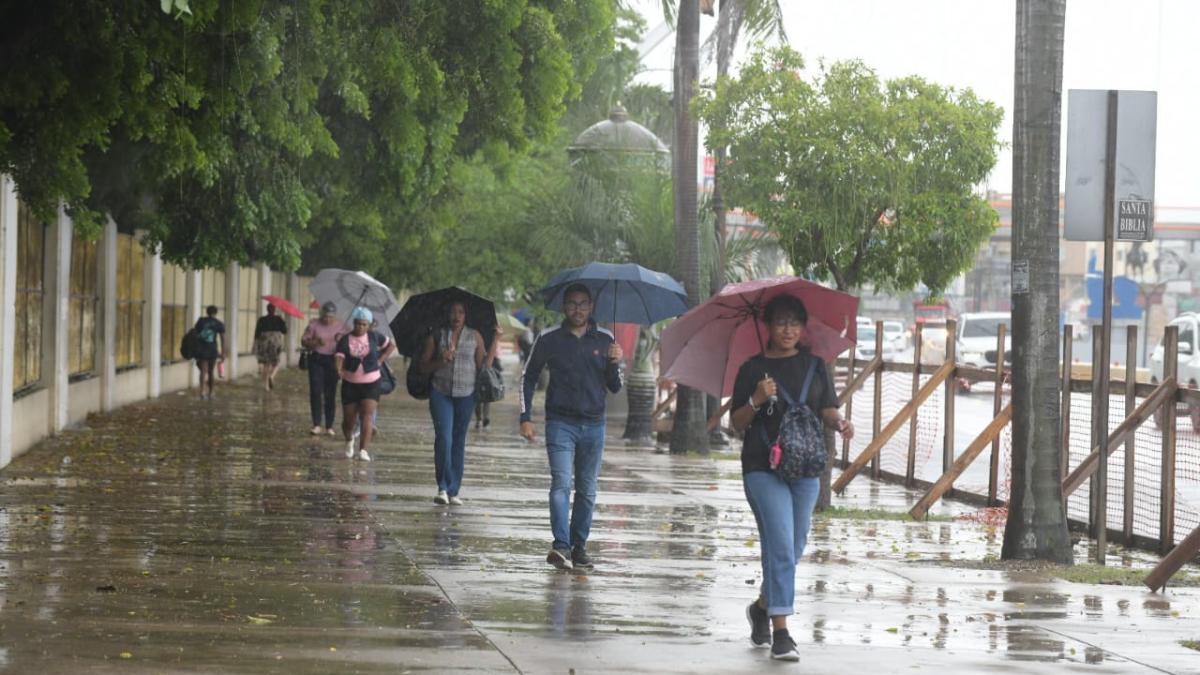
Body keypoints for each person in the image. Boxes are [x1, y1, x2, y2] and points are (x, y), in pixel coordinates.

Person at [729, 295, 853, 662]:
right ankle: (781, 632)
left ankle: (763, 605)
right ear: (768, 326)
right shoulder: (752, 370)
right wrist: (755, 399)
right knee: (781, 544)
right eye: (781, 322)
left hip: (804, 468)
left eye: (794, 323)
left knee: (794, 546)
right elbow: (736, 423)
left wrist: (839, 422)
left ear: (803, 328)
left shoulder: (815, 366)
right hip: (761, 467)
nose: (788, 330)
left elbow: (826, 408)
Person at [520, 284, 623, 571]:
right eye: (572, 304)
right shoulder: (549, 338)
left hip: (594, 426)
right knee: (561, 484)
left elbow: (615, 387)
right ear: (564, 307)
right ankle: (561, 545)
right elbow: (528, 377)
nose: (577, 309)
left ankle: (579, 547)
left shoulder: (606, 339)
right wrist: (524, 416)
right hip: (560, 424)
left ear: (591, 307)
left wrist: (615, 362)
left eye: (583, 304)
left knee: (587, 491)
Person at [419, 301, 498, 506]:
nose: (456, 316)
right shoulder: (437, 335)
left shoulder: (475, 336)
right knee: (444, 438)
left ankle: (454, 490)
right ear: (447, 314)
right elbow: (423, 367)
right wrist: (441, 360)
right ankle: (443, 487)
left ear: (466, 315)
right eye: (453, 311)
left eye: (461, 312)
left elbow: (484, 367)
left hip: (467, 394)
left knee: (458, 441)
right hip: (440, 392)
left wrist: (496, 340)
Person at [334, 307, 395, 461]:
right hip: (350, 383)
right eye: (358, 324)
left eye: (364, 324)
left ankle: (363, 450)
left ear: (368, 325)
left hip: (371, 382)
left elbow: (391, 345)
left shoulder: (375, 337)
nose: (360, 327)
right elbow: (339, 357)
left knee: (367, 415)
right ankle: (349, 439)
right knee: (349, 420)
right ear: (353, 323)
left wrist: (380, 360)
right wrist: (339, 369)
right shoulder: (345, 339)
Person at [302, 302, 344, 436]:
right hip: (317, 359)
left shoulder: (343, 326)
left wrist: (340, 339)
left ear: (334, 316)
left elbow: (349, 342)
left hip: (333, 360)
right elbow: (304, 341)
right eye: (325, 316)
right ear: (321, 315)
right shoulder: (314, 324)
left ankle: (329, 425)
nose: (327, 319)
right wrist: (315, 342)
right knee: (315, 391)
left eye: (330, 317)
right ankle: (316, 424)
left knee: (330, 394)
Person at [193, 305, 226, 400]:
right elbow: (223, 338)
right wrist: (223, 352)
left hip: (202, 349)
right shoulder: (218, 323)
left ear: (207, 312)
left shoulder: (201, 321)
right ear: (216, 313)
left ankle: (202, 391)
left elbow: (195, 334)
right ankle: (211, 392)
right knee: (211, 371)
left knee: (203, 371)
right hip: (212, 350)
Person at [254, 303, 288, 391]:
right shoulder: (279, 319)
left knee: (266, 364)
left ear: (267, 309)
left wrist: (255, 345)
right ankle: (271, 376)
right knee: (276, 362)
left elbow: (257, 333)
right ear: (274, 309)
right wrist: (282, 323)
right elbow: (285, 331)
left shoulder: (262, 319)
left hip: (264, 341)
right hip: (275, 341)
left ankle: (266, 386)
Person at [474, 356, 502, 430]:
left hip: (485, 372)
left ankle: (482, 418)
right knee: (480, 397)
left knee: (485, 396)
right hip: (480, 371)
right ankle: (481, 418)